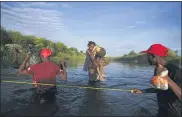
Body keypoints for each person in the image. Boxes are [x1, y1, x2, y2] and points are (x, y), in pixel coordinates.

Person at [132, 44, 181, 117]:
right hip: (162, 111)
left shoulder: (176, 71)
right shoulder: (157, 69)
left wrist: (166, 78)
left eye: (148, 56)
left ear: (154, 56)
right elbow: (159, 89)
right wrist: (142, 91)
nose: (147, 58)